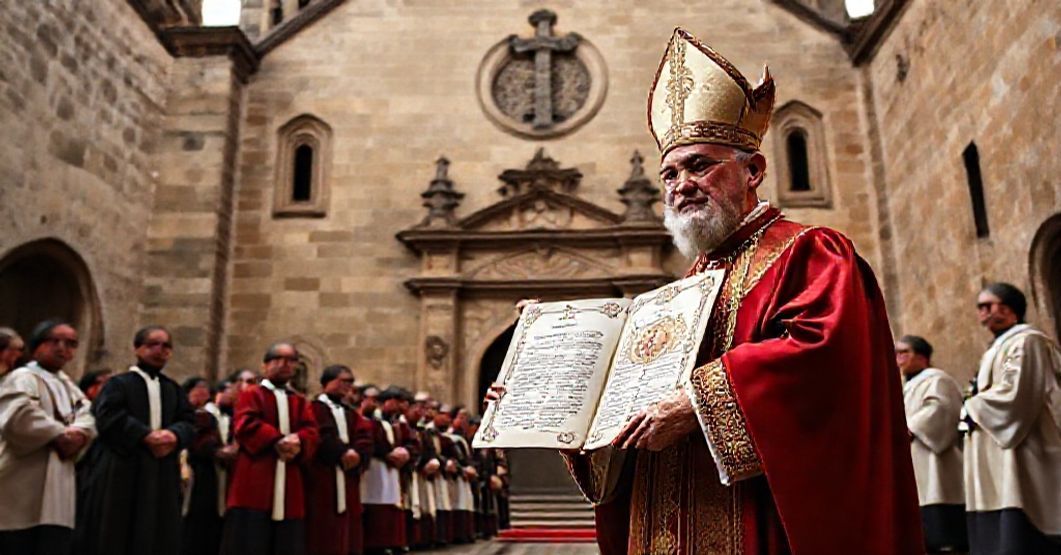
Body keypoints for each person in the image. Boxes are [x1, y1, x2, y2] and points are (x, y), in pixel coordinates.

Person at [490, 28, 922, 554]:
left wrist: (696, 403)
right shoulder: (686, 289)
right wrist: (553, 394)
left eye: (700, 164)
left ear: (754, 169)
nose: (681, 184)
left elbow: (823, 362)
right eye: (669, 173)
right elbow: (622, 404)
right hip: (664, 517)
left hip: (751, 520)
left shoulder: (811, 253)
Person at [82, 325, 196, 555]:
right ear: (137, 348)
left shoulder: (172, 389)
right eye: (153, 344)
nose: (160, 350)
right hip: (122, 467)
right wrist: (145, 435)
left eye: (166, 346)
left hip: (162, 469)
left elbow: (188, 421)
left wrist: (173, 435)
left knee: (159, 530)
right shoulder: (119, 384)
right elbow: (107, 417)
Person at [964, 283, 1061, 553]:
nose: (982, 313)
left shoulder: (1026, 340)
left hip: (1021, 443)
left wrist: (972, 407)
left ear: (1008, 310)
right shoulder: (997, 347)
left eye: (988, 306)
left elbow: (1016, 391)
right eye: (980, 307)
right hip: (993, 444)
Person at [0, 320, 94, 555]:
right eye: (55, 341)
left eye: (71, 343)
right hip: (22, 478)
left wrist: (80, 434)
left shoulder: (68, 384)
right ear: (37, 346)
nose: (63, 348)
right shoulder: (22, 377)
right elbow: (18, 416)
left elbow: (89, 414)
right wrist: (59, 435)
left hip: (59, 483)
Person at [221, 342, 319, 555]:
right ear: (265, 365)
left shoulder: (300, 401)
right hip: (256, 475)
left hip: (289, 477)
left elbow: (311, 430)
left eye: (291, 360)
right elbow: (245, 424)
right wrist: (276, 440)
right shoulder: (252, 394)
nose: (285, 365)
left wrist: (299, 441)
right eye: (278, 359)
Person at [897, 335, 967, 553]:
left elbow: (942, 409)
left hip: (934, 459)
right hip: (914, 460)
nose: (898, 359)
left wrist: (911, 428)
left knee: (943, 527)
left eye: (904, 353)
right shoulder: (907, 385)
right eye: (896, 354)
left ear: (922, 356)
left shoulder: (936, 379)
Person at [305, 365, 373, 555]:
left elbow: (364, 436)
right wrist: (341, 453)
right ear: (328, 382)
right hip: (323, 473)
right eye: (343, 381)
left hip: (348, 474)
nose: (348, 386)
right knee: (323, 521)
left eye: (350, 382)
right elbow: (319, 434)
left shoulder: (350, 412)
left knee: (349, 520)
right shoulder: (314, 407)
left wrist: (358, 454)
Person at [180, 376, 225, 555]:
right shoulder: (182, 413)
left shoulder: (208, 417)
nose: (202, 391)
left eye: (205, 388)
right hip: (186, 469)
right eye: (198, 388)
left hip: (206, 472)